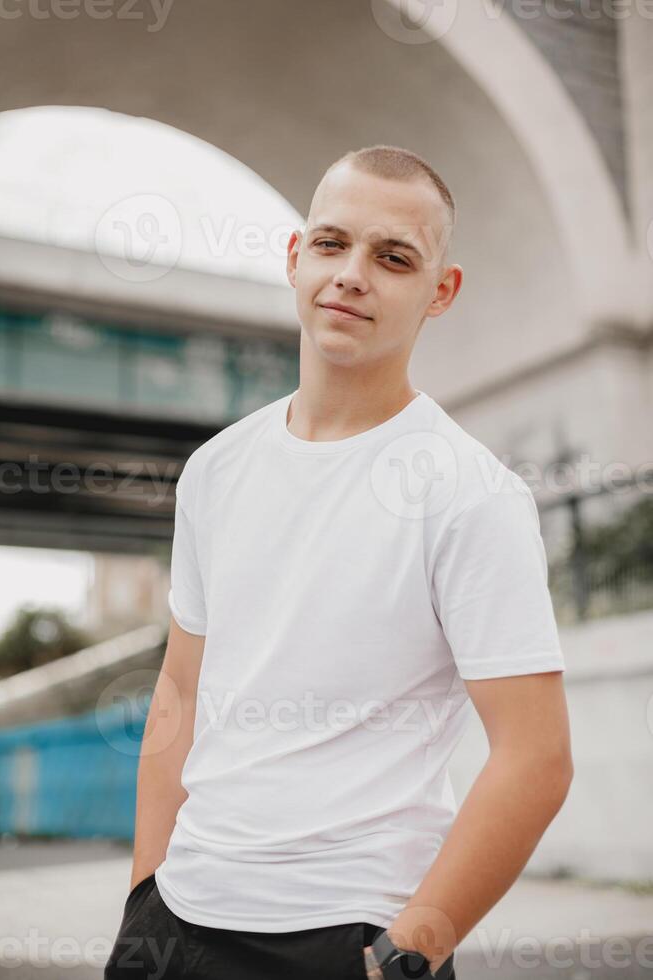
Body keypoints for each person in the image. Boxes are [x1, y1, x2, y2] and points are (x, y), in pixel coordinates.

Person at [105, 144, 573, 980]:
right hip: (177, 923)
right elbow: (180, 689)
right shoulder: (217, 469)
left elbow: (535, 758)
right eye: (331, 243)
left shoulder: (471, 492)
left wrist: (406, 956)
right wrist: (145, 893)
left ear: (441, 292)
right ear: (295, 259)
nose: (352, 274)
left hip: (348, 937)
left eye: (394, 258)